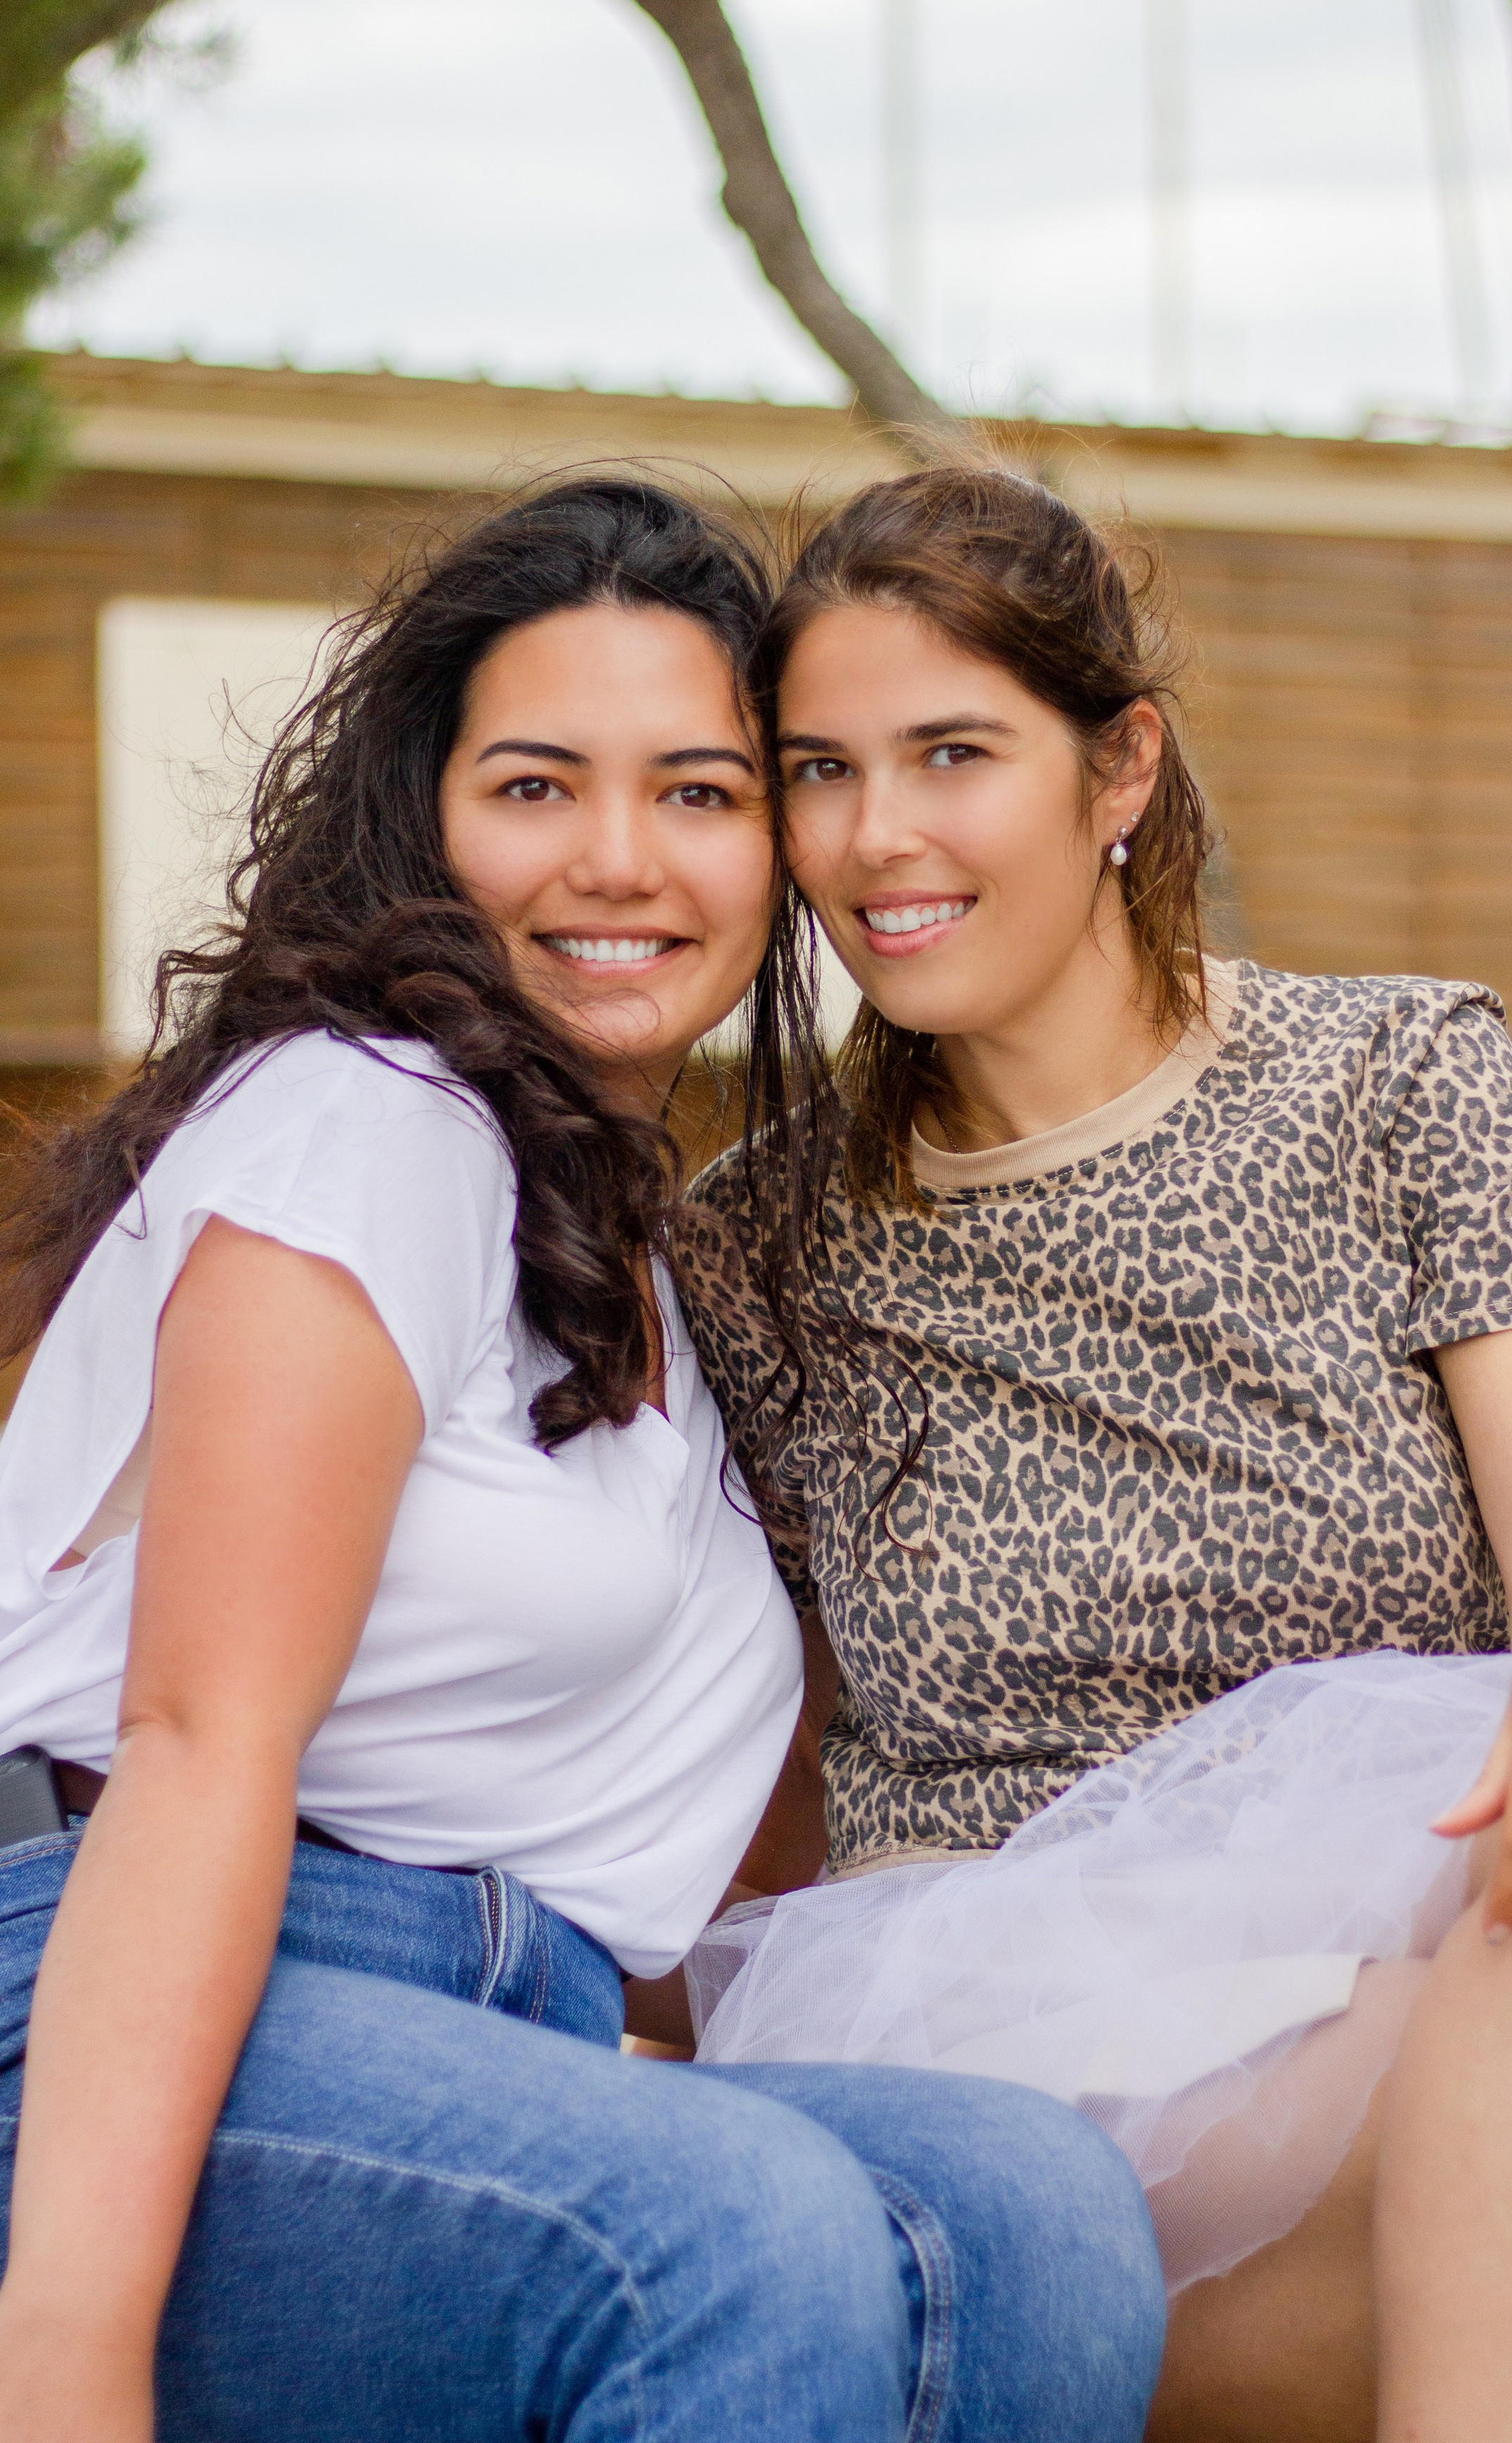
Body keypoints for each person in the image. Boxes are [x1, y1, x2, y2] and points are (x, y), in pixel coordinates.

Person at [0, 477, 1166, 2443]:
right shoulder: (366, 1120)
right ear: (428, 823)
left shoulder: (639, 1252)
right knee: (740, 2230)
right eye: (538, 787)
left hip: (480, 2022)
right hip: (122, 1998)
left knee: (1031, 2217)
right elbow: (194, 1746)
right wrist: (69, 2358)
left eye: (701, 794)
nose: (619, 863)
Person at [672, 463, 1512, 2443]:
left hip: (1485, 1969)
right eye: (820, 772)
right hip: (1031, 2062)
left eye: (955, 753)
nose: (878, 837)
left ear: (1123, 771)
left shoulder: (1393, 1077)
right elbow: (735, 1733)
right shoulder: (761, 1242)